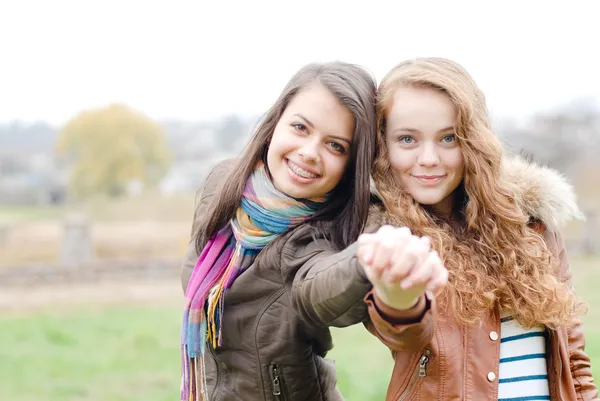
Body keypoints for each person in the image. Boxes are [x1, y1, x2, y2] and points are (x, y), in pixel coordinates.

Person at [357, 57, 598, 400]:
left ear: (472, 141)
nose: (428, 158)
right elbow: (400, 330)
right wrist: (398, 292)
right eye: (407, 139)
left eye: (448, 138)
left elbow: (573, 362)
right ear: (384, 146)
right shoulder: (387, 241)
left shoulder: (530, 224)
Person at [180, 61, 378, 401]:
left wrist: (371, 257)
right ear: (276, 124)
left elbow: (326, 289)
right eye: (301, 128)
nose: (309, 152)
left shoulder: (321, 238)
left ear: (351, 164)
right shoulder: (223, 188)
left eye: (336, 146)